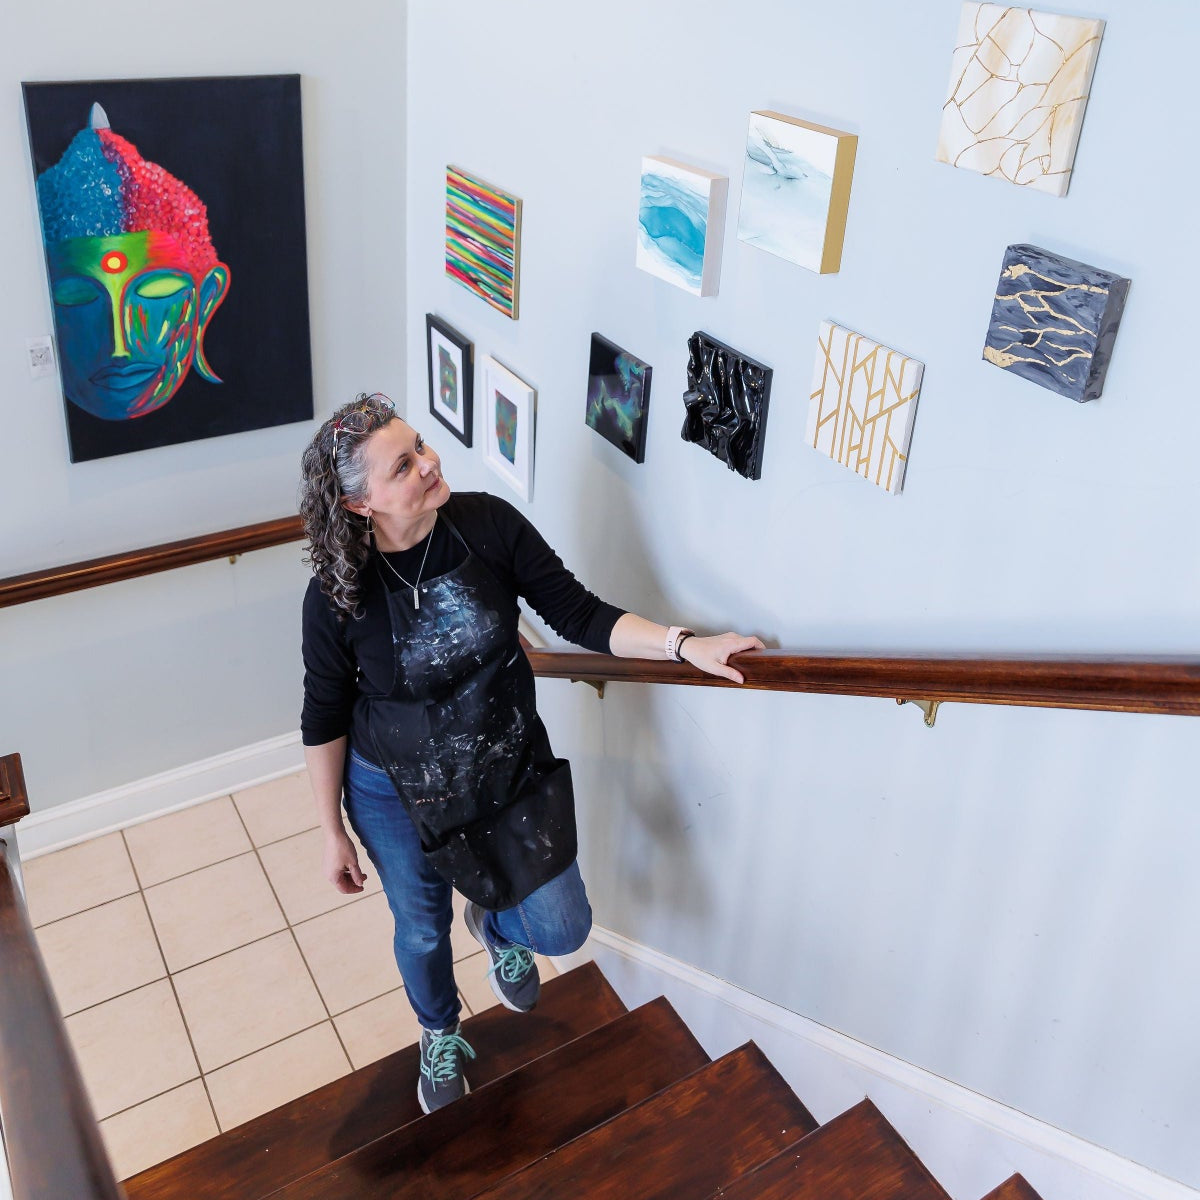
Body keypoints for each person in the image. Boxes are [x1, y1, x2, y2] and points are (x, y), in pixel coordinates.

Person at [299, 392, 763, 1114]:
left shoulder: (485, 524)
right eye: (404, 464)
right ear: (360, 505)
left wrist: (685, 645)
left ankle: (493, 924)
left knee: (561, 926)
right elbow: (323, 713)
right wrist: (330, 829)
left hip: (504, 772)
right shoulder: (336, 594)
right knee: (420, 925)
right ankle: (438, 1032)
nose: (430, 463)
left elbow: (579, 613)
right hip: (396, 792)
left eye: (421, 445)